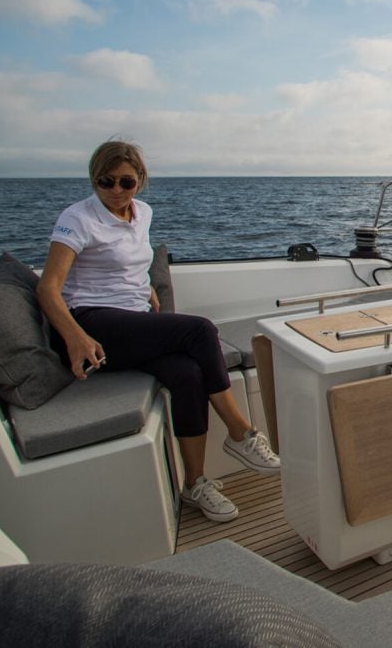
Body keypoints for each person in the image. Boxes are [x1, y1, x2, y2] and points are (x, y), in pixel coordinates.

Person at [36, 140, 279, 524]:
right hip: (92, 324)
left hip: (131, 323)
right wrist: (75, 337)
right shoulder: (78, 218)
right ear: (93, 179)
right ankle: (240, 433)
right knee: (200, 330)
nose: (116, 190)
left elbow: (128, 260)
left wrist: (144, 286)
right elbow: (48, 288)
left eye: (126, 182)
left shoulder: (142, 213)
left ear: (140, 182)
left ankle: (195, 483)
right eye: (105, 181)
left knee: (188, 374)